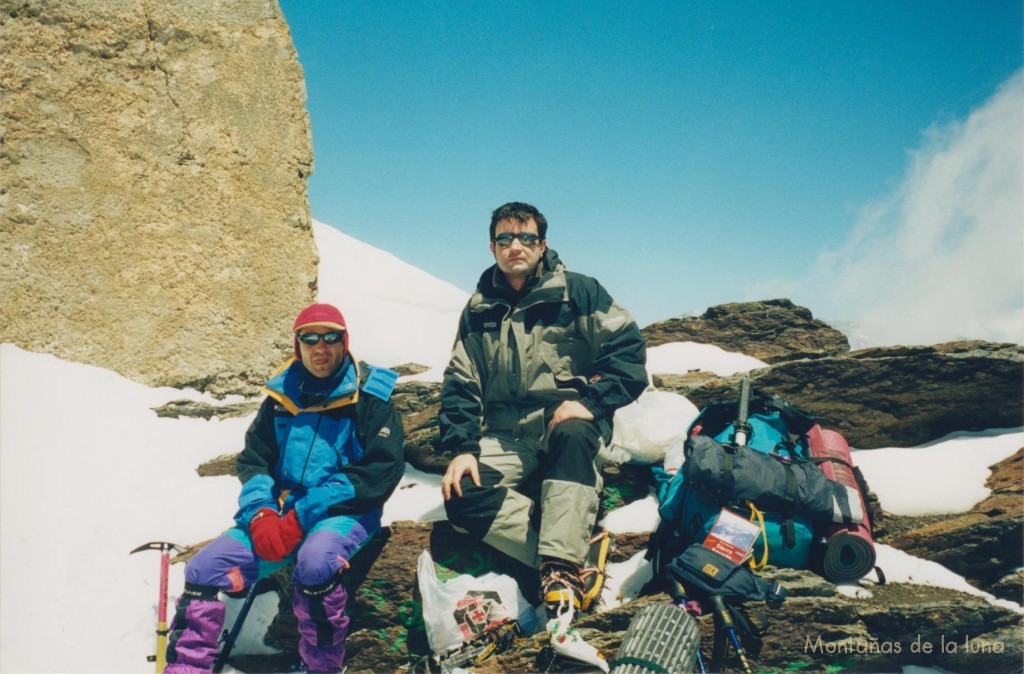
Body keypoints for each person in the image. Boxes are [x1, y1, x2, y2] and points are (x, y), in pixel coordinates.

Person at [164, 303, 405, 674]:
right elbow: (254, 461)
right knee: (204, 569)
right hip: (280, 511)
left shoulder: (370, 397)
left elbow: (380, 470)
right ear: (298, 345)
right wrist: (261, 512)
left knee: (314, 565)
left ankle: (321, 668)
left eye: (331, 337)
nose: (320, 347)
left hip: (345, 512)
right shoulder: (280, 398)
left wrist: (301, 515)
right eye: (310, 338)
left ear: (345, 342)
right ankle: (187, 669)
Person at [439, 201, 648, 618]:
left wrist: (591, 402)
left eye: (526, 237)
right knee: (461, 493)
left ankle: (556, 567)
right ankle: (571, 561)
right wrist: (463, 446)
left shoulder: (580, 292)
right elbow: (461, 381)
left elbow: (628, 353)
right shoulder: (479, 309)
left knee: (573, 433)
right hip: (506, 437)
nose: (515, 246)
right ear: (492, 246)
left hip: (565, 427)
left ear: (542, 243)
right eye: (505, 238)